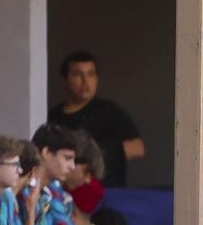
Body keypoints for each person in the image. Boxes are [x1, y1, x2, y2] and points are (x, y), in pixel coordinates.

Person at [49, 50, 144, 187]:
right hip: (63, 195)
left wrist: (93, 159)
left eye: (91, 74)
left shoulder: (109, 111)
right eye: (77, 75)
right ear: (64, 79)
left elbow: (138, 148)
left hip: (106, 195)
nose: (85, 81)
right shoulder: (53, 116)